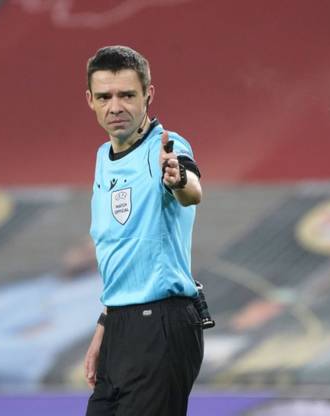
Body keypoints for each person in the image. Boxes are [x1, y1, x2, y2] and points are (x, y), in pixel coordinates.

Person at [83, 45, 204, 416]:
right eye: (105, 96)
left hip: (162, 324)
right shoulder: (104, 157)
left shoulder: (166, 146)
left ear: (148, 95)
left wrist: (178, 177)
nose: (115, 106)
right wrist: (106, 324)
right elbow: (122, 249)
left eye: (127, 95)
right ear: (90, 100)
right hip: (121, 323)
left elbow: (191, 191)